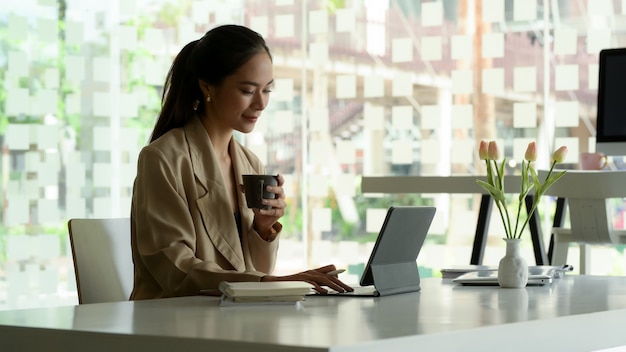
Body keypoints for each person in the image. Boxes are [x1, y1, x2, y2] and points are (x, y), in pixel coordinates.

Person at [130, 24, 353, 299]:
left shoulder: (249, 164)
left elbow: (254, 271)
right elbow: (176, 272)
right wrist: (273, 282)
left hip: (231, 318)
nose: (261, 104)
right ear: (207, 86)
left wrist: (263, 228)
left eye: (267, 90)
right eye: (248, 91)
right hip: (173, 324)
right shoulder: (162, 159)